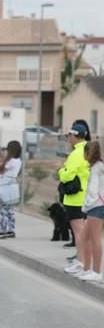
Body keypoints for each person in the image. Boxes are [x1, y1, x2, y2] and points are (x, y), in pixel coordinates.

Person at [62, 121, 92, 277]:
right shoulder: (89, 150)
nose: (68, 138)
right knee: (84, 231)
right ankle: (84, 263)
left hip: (75, 198)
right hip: (87, 195)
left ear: (75, 136)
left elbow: (68, 175)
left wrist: (61, 170)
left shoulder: (76, 153)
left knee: (79, 232)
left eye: (70, 135)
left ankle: (81, 263)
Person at [80, 141, 103, 282]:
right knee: (85, 237)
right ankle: (87, 269)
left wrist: (85, 207)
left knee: (95, 239)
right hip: (99, 206)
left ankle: (96, 272)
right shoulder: (100, 166)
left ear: (88, 153)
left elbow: (93, 192)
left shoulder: (95, 169)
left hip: (96, 207)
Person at [0, 140, 22, 240]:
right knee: (9, 209)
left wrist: (0, 160)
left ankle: (3, 230)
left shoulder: (11, 161)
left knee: (2, 210)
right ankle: (10, 230)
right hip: (11, 186)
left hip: (3, 186)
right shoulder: (18, 161)